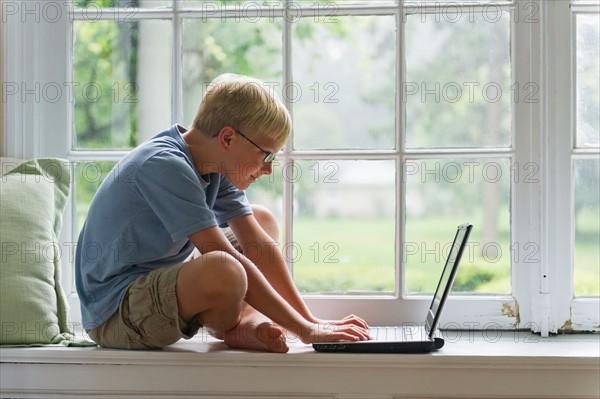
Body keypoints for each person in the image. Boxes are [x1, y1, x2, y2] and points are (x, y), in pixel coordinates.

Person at [75, 73, 371, 353]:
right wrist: (305, 331)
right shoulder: (165, 164)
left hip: (155, 285)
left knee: (262, 221)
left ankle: (241, 326)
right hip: (116, 313)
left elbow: (258, 247)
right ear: (228, 139)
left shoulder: (212, 164)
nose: (268, 169)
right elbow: (222, 254)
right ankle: (238, 323)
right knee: (225, 268)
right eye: (266, 155)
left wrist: (311, 322)